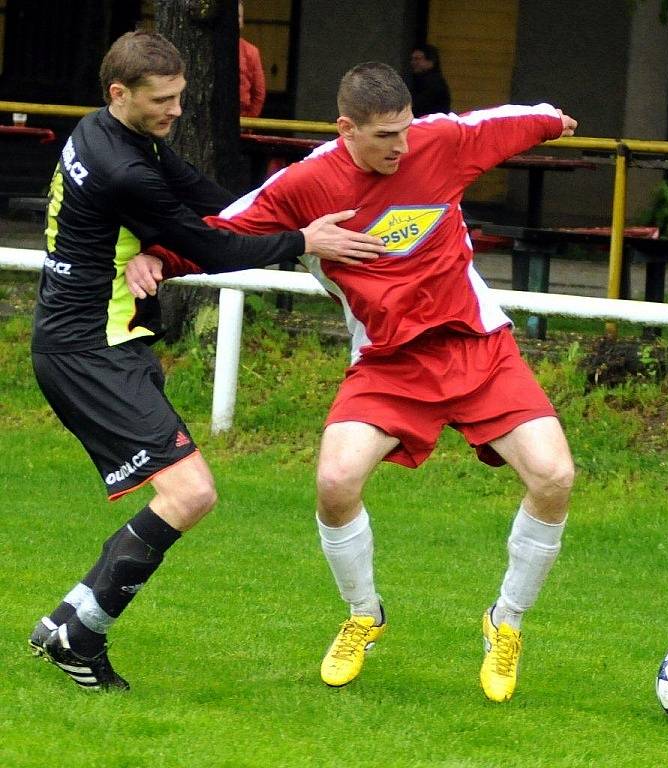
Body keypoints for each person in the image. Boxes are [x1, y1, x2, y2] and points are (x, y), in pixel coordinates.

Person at [127, 62, 577, 702]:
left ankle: (505, 622)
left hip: (475, 344)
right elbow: (226, 228)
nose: (400, 145)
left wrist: (549, 121)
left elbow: (499, 125)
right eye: (385, 136)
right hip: (388, 362)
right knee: (335, 483)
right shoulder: (306, 184)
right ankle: (364, 614)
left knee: (554, 477)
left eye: (405, 130)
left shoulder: (436, 141)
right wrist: (159, 256)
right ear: (346, 129)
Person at [28, 32, 384, 692]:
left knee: (181, 493)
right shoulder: (123, 170)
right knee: (190, 493)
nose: (177, 110)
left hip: (96, 343)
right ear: (119, 94)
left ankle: (68, 618)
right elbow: (208, 248)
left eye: (181, 96)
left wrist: (282, 216)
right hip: (88, 352)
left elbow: (208, 200)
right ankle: (83, 638)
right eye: (162, 99)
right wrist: (304, 239)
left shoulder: (108, 135)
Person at [238, 1, 266, 119]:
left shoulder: (251, 52)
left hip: (242, 119)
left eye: (238, 17)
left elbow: (259, 93)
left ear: (242, 22)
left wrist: (249, 120)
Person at [409, 44, 451, 117]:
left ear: (431, 61)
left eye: (417, 59)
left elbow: (418, 106)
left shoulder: (434, 83)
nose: (413, 62)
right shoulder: (420, 80)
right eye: (412, 59)